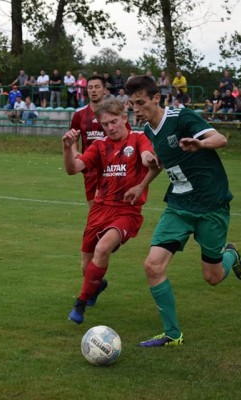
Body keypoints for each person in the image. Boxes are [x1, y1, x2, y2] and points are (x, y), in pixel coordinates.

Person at [124, 75, 241, 347]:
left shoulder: (181, 118)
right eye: (132, 104)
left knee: (213, 277)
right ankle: (172, 334)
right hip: (179, 206)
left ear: (157, 98)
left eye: (141, 102)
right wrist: (141, 185)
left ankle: (231, 255)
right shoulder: (149, 131)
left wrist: (201, 144)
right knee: (152, 266)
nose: (136, 109)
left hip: (210, 204)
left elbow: (220, 138)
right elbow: (163, 163)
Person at [64, 98, 159, 324]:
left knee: (103, 248)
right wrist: (67, 148)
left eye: (114, 122)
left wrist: (148, 159)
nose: (110, 127)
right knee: (87, 267)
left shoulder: (138, 139)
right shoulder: (99, 146)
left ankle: (80, 304)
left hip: (127, 211)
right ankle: (97, 284)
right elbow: (73, 169)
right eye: (105, 124)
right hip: (99, 210)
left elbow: (147, 155)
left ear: (124, 118)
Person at [69, 75, 130, 207]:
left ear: (104, 90)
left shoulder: (114, 113)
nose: (93, 90)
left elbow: (127, 136)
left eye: (97, 87)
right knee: (94, 209)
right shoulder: (79, 114)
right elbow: (73, 138)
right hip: (90, 168)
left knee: (115, 207)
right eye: (90, 87)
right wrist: (74, 152)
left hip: (113, 167)